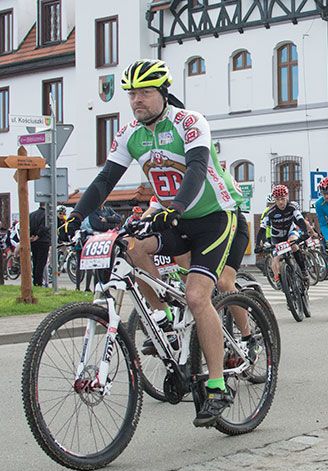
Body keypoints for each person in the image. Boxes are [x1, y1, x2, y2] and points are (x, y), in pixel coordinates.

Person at [62, 58, 244, 427]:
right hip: (172, 216)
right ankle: (162, 319)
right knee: (131, 246)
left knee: (197, 296)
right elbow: (104, 180)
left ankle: (217, 385)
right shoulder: (130, 134)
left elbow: (196, 168)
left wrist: (175, 207)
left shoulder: (189, 122)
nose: (136, 100)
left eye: (144, 92)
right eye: (132, 94)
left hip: (213, 216)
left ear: (162, 92)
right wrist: (76, 216)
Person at [257, 184, 312, 284]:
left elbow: (300, 220)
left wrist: (305, 233)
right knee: (276, 258)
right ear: (275, 200)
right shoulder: (270, 212)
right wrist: (258, 245)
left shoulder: (292, 208)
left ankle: (303, 271)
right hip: (276, 237)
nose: (280, 202)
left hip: (290, 232)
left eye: (282, 198)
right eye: (277, 199)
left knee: (294, 245)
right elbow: (262, 229)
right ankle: (277, 278)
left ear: (287, 197)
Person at [29, 203, 51, 286]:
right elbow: (44, 227)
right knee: (41, 263)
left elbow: (29, 226)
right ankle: (38, 282)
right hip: (43, 241)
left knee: (35, 261)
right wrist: (37, 236)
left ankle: (35, 280)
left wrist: (31, 236)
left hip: (33, 241)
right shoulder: (46, 215)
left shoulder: (31, 215)